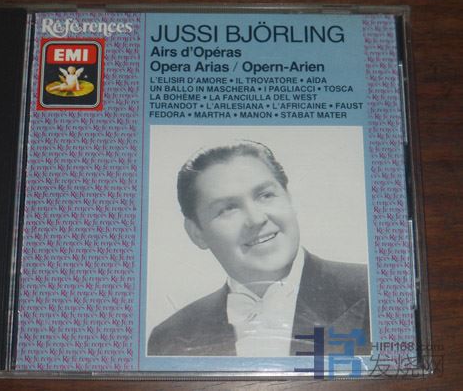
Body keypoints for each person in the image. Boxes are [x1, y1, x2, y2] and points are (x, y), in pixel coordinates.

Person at [148, 140, 370, 357]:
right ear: (196, 233)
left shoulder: (370, 290)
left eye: (266, 195)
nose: (256, 219)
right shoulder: (169, 338)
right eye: (227, 209)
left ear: (289, 199)